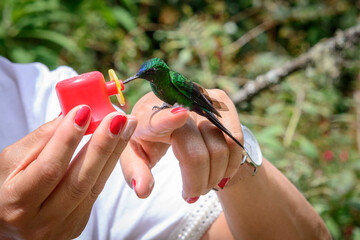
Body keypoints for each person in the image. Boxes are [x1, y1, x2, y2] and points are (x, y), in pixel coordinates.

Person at [0, 56, 331, 240]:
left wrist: (230, 158)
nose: (142, 78)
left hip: (190, 108)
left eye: (147, 74)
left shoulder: (35, 94)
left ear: (158, 74)